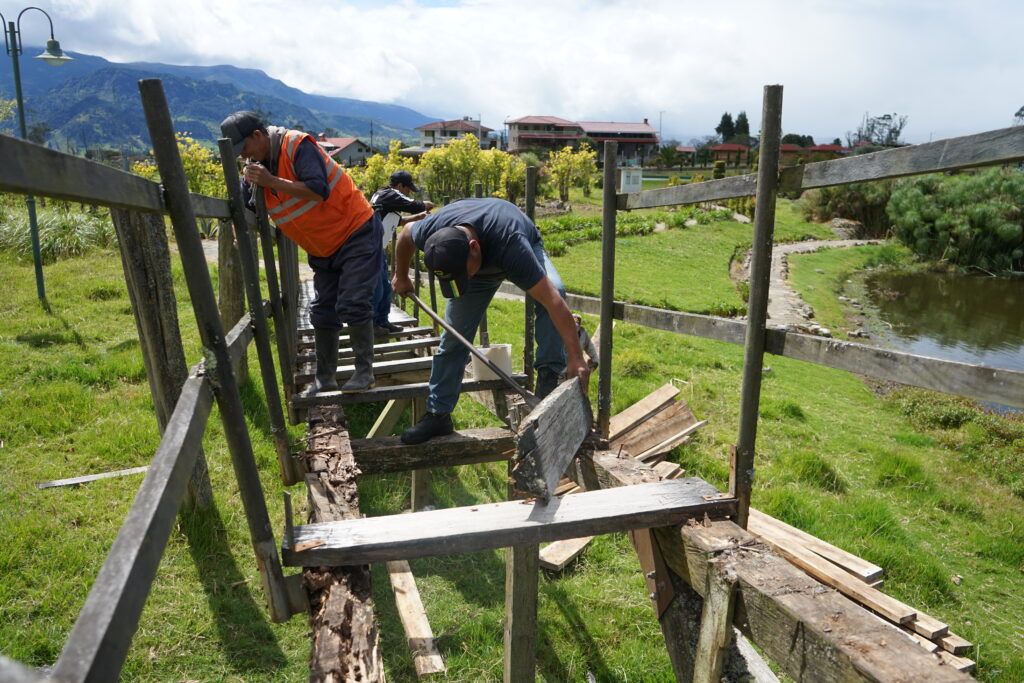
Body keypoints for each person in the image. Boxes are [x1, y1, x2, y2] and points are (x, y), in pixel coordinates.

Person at [391, 197, 590, 444]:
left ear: (473, 248)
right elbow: (406, 233)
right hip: (480, 258)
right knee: (453, 339)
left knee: (556, 291)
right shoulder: (432, 232)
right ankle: (438, 414)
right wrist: (401, 276)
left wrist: (576, 357)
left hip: (514, 242)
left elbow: (552, 300)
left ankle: (548, 382)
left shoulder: (512, 245)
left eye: (461, 275)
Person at [220, 111, 382, 394]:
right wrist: (239, 230)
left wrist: (272, 182)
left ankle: (364, 372)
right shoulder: (254, 169)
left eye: (243, 148)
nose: (243, 157)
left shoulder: (297, 146)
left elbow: (319, 190)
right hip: (322, 247)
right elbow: (246, 206)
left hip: (355, 229)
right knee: (322, 310)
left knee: (353, 301)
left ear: (257, 136)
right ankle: (325, 378)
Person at [369, 170, 435, 337]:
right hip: (370, 249)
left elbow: (398, 221)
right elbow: (414, 204)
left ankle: (382, 321)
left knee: (384, 287)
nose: (408, 192)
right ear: (400, 186)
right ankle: (371, 325)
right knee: (376, 289)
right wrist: (425, 206)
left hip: (378, 249)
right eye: (408, 189)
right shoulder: (389, 194)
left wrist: (418, 217)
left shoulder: (385, 198)